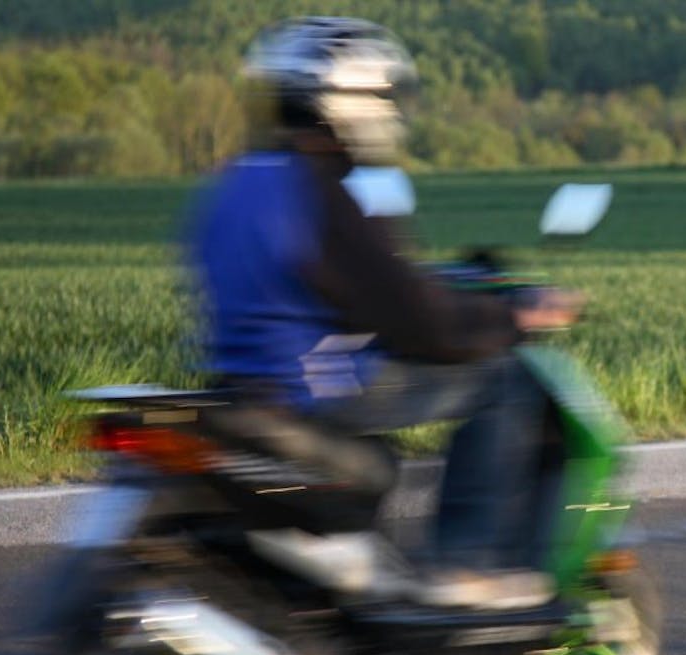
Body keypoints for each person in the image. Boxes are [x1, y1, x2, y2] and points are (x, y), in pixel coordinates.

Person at [184, 17, 580, 609]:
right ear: (348, 101)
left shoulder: (236, 180)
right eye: (384, 96)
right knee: (504, 380)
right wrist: (511, 322)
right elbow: (425, 329)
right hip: (312, 384)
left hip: (242, 381)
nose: (390, 112)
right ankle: (466, 563)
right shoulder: (324, 192)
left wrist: (414, 296)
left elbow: (327, 288)